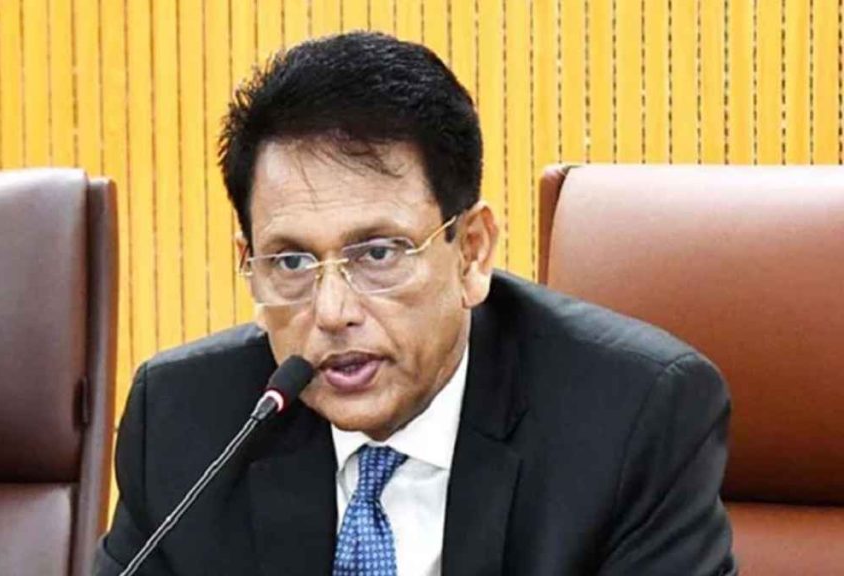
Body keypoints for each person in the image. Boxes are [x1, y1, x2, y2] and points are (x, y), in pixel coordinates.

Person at [94, 32, 735, 575]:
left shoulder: (632, 420)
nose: (332, 312)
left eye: (377, 253)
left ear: (471, 253)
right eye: (291, 262)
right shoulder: (185, 422)